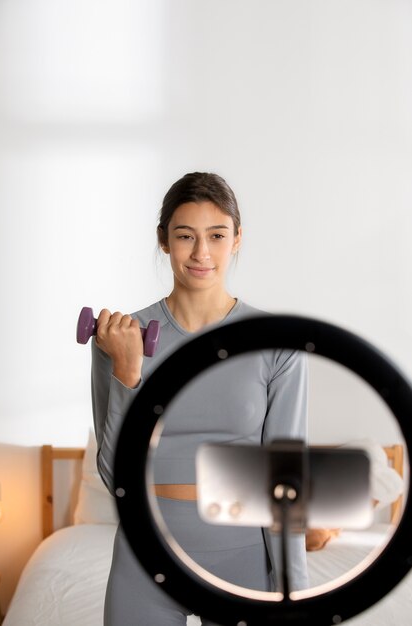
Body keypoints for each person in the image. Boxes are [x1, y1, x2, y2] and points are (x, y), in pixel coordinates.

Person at [91, 172, 309, 626]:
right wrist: (129, 372)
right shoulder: (120, 336)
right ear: (163, 241)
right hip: (143, 551)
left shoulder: (277, 343)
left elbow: (286, 480)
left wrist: (297, 591)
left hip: (243, 559)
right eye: (185, 236)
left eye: (216, 235)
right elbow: (115, 473)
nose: (201, 253)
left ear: (237, 239)